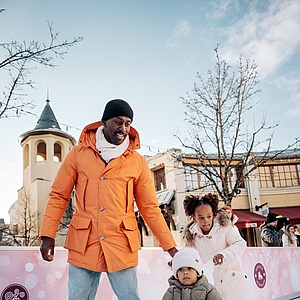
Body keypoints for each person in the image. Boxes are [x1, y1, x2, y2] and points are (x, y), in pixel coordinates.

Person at [39, 99, 178, 300]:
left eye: (128, 124)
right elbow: (59, 196)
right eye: (118, 122)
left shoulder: (137, 162)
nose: (123, 128)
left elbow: (149, 207)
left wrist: (170, 246)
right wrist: (47, 235)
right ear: (104, 121)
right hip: (84, 242)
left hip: (121, 242)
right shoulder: (78, 154)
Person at [182, 193, 250, 300]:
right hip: (210, 285)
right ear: (194, 218)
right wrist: (177, 261)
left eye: (208, 216)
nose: (206, 221)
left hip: (232, 283)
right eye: (201, 218)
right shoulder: (192, 237)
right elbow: (187, 255)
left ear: (213, 214)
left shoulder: (225, 227)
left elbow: (240, 244)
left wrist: (223, 255)